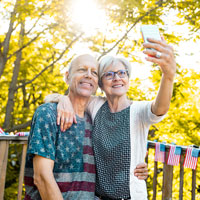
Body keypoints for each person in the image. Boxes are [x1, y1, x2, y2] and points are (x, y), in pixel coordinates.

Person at [46, 37, 176, 200]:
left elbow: (160, 108)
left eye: (122, 73)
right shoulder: (95, 105)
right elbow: (54, 97)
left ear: (128, 79)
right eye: (109, 74)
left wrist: (168, 75)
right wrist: (63, 99)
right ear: (100, 84)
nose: (117, 78)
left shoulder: (139, 111)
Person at [24, 54, 148, 200]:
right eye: (82, 70)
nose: (89, 75)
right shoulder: (48, 114)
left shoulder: (94, 120)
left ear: (98, 83)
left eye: (94, 72)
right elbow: (42, 178)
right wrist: (62, 98)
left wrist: (135, 166)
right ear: (67, 76)